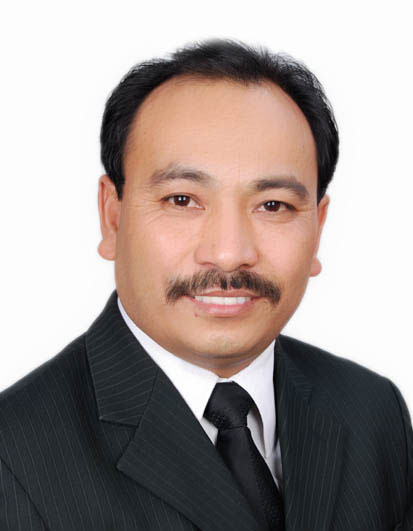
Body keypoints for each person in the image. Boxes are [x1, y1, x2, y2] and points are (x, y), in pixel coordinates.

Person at [0, 38, 411, 531]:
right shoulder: (13, 455)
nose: (230, 253)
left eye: (273, 205)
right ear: (112, 218)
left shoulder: (373, 412)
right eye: (182, 200)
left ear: (318, 227)